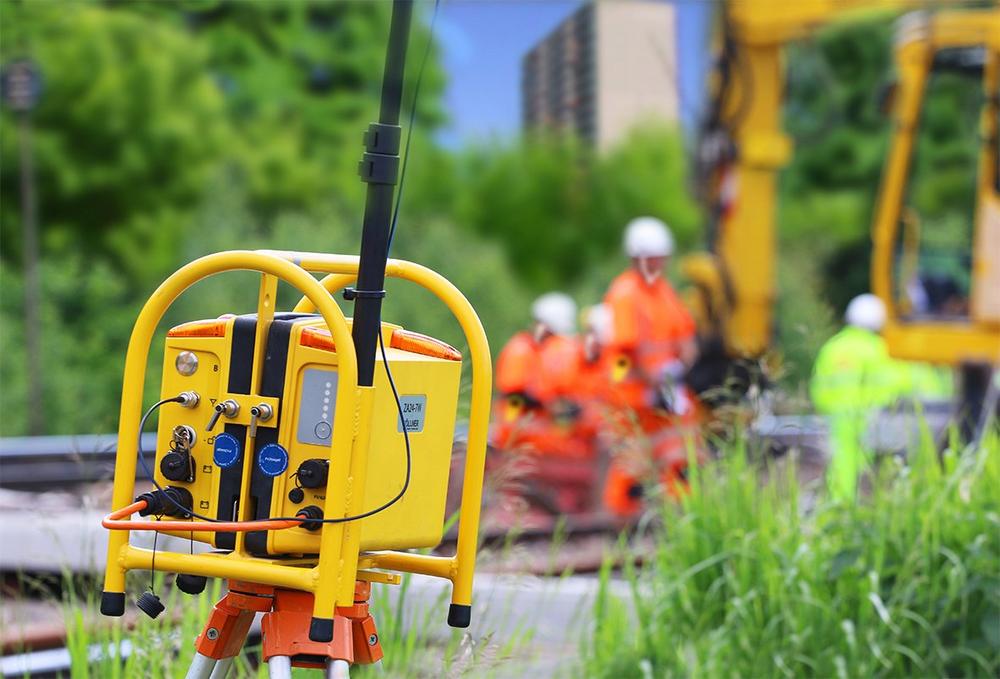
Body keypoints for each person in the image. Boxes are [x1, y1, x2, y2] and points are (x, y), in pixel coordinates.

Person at [811, 293, 906, 501]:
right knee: (870, 467)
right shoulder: (879, 348)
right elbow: (895, 385)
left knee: (841, 462)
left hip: (837, 417)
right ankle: (862, 508)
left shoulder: (833, 346)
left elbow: (817, 386)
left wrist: (827, 409)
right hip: (869, 417)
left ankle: (839, 505)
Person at [603, 217, 698, 416]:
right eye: (651, 259)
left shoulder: (664, 291)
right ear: (636, 259)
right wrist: (655, 384)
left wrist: (679, 370)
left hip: (664, 394)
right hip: (632, 399)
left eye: (660, 258)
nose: (657, 264)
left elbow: (685, 337)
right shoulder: (625, 293)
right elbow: (628, 349)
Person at [493, 292, 583, 451]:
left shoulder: (538, 353)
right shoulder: (520, 351)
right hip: (515, 432)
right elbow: (514, 394)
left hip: (529, 431)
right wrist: (548, 406)